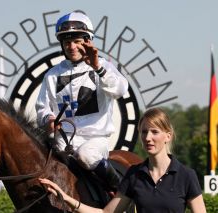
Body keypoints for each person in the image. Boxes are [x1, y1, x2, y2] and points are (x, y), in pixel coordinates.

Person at [39, 107, 207, 213]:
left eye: (154, 132)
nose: (148, 138)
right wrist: (66, 198)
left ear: (167, 136)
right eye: (144, 132)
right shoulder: (134, 174)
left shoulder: (186, 176)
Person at [35, 11, 128, 190]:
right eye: (67, 42)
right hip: (62, 140)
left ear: (88, 41)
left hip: (94, 139)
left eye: (77, 41)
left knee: (86, 156)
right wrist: (48, 119)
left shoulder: (102, 66)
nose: (72, 46)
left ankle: (121, 191)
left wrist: (98, 68)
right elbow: (42, 108)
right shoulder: (52, 74)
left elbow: (120, 90)